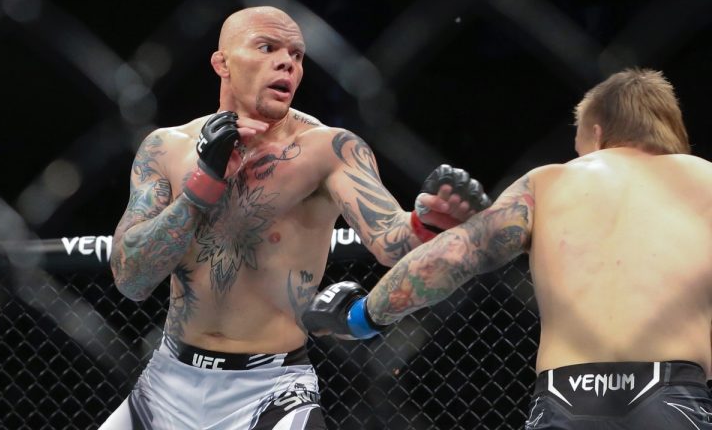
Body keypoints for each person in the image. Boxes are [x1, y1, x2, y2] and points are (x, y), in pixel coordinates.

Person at [101, 6, 490, 430]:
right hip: (166, 380)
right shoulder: (166, 147)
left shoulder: (328, 150)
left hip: (270, 390)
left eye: (297, 54)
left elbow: (390, 241)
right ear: (222, 63)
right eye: (267, 47)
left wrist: (427, 223)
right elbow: (131, 279)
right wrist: (201, 187)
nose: (287, 61)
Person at [303, 68, 712, 429]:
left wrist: (360, 316)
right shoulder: (704, 182)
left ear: (597, 132)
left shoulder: (549, 182)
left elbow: (452, 256)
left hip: (566, 399)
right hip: (672, 398)